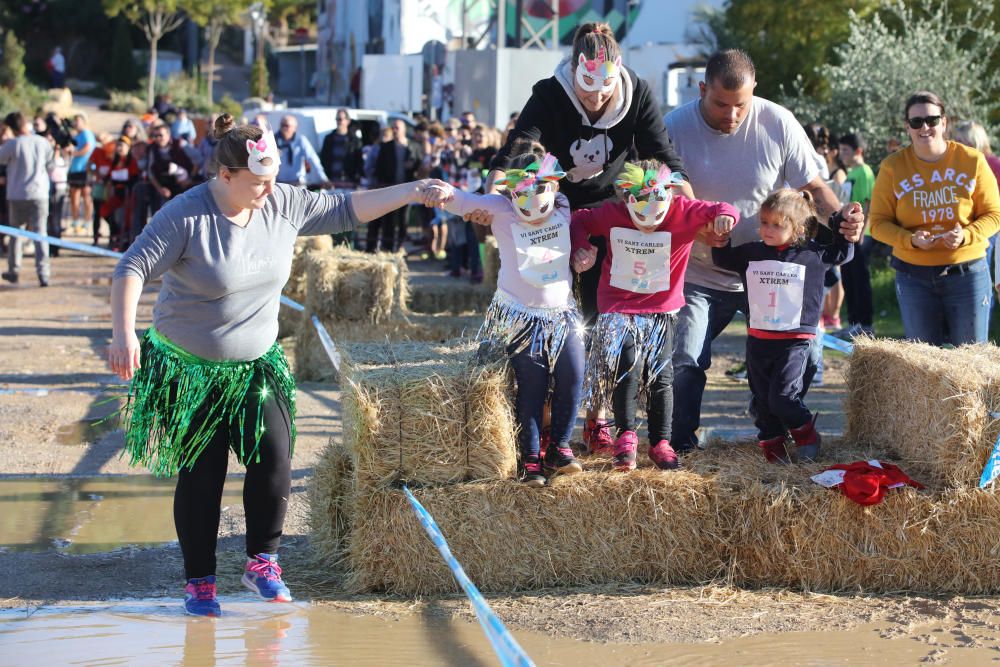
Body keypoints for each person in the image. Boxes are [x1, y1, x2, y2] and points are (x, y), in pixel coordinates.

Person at [108, 113, 449, 617]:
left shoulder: (283, 202)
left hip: (257, 363)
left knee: (273, 456)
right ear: (225, 177)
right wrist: (123, 334)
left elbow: (346, 207)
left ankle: (262, 561)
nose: (271, 190)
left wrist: (413, 190)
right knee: (203, 473)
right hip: (192, 366)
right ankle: (199, 581)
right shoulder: (187, 215)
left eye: (273, 180)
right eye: (259, 183)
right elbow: (131, 267)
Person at [485, 22, 693, 455]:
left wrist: (687, 203)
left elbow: (661, 153)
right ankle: (542, 420)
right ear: (574, 72)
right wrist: (493, 193)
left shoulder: (638, 92)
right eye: (587, 92)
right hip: (553, 217)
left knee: (601, 322)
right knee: (548, 318)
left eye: (604, 92)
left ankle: (597, 415)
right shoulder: (549, 92)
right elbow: (521, 146)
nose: (596, 100)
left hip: (610, 219)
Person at [663, 48, 864, 454]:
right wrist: (693, 222)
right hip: (701, 271)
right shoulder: (674, 126)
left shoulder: (778, 122)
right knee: (686, 358)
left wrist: (840, 217)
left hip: (772, 274)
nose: (733, 115)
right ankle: (680, 444)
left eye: (742, 104)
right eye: (721, 103)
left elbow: (813, 187)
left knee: (802, 357)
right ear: (702, 89)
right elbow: (665, 190)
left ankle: (774, 428)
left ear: (755, 91)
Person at [429, 145, 585, 485]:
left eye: (539, 186)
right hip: (519, 313)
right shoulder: (501, 208)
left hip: (563, 313)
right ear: (510, 190)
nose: (531, 197)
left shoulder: (562, 205)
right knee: (532, 383)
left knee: (574, 374)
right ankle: (530, 458)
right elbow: (465, 201)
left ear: (553, 185)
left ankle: (559, 447)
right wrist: (440, 191)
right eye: (522, 190)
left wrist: (585, 252)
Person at [570, 160, 738, 469]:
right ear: (627, 200)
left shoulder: (682, 211)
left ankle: (661, 441)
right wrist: (581, 246)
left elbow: (722, 208)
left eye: (655, 215)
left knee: (663, 375)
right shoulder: (613, 214)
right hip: (619, 308)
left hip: (661, 311)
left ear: (669, 197)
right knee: (627, 368)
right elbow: (580, 220)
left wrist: (725, 217)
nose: (647, 224)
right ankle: (626, 436)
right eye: (640, 215)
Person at [712, 190, 856, 463]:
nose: (767, 229)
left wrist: (841, 224)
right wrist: (720, 239)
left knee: (782, 397)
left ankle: (806, 434)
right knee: (762, 401)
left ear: (798, 228)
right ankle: (772, 443)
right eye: (764, 222)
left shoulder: (812, 254)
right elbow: (723, 259)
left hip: (794, 340)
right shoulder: (752, 252)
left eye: (777, 225)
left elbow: (842, 253)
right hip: (758, 338)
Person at [869, 91, 1000, 346]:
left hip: (968, 272)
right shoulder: (892, 166)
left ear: (944, 122)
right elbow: (877, 224)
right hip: (913, 277)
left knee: (969, 363)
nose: (924, 127)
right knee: (923, 367)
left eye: (931, 120)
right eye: (916, 122)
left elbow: (994, 215)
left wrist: (966, 236)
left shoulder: (972, 160)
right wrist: (910, 240)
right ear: (907, 127)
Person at [0, 112, 54, 286]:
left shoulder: (13, 144)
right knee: (41, 233)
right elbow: (51, 164)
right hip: (39, 193)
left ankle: (14, 270)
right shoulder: (42, 142)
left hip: (17, 194)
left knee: (16, 233)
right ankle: (43, 273)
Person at [836, 132, 876, 337]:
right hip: (849, 235)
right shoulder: (851, 173)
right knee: (848, 278)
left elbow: (869, 202)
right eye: (841, 150)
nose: (841, 154)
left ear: (858, 151)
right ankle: (853, 322)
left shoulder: (865, 172)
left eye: (846, 151)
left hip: (862, 235)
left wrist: (862, 231)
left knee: (860, 279)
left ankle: (866, 324)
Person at [371, 119, 420, 252]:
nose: (394, 130)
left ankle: (400, 247)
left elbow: (419, 165)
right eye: (393, 128)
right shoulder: (386, 147)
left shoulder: (413, 146)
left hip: (408, 189)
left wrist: (413, 167)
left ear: (404, 129)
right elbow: (378, 168)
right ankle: (387, 247)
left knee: (403, 219)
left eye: (397, 128)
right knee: (389, 219)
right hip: (390, 188)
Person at [147, 123, 194, 215]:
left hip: (182, 185)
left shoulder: (181, 144)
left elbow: (197, 160)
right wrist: (160, 189)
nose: (158, 138)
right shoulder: (153, 149)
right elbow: (150, 173)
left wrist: (190, 179)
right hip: (164, 186)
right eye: (155, 136)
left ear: (168, 135)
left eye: (160, 135)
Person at [274, 115, 329, 188]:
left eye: (287, 126)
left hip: (298, 184)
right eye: (282, 125)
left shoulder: (301, 140)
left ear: (294, 128)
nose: (284, 128)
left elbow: (313, 160)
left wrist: (323, 179)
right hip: (279, 184)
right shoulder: (273, 140)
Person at [67, 113, 96, 235]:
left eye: (78, 120)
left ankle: (87, 222)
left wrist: (73, 153)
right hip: (75, 169)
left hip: (85, 169)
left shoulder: (86, 134)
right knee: (74, 197)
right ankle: (76, 222)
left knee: (86, 197)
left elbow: (87, 148)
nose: (76, 123)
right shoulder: (77, 135)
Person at [319, 109, 362, 188]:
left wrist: (356, 179)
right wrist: (325, 178)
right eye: (337, 119)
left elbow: (359, 162)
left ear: (347, 121)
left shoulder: (355, 140)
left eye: (341, 119)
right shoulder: (328, 139)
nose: (338, 122)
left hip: (349, 183)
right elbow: (323, 159)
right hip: (332, 183)